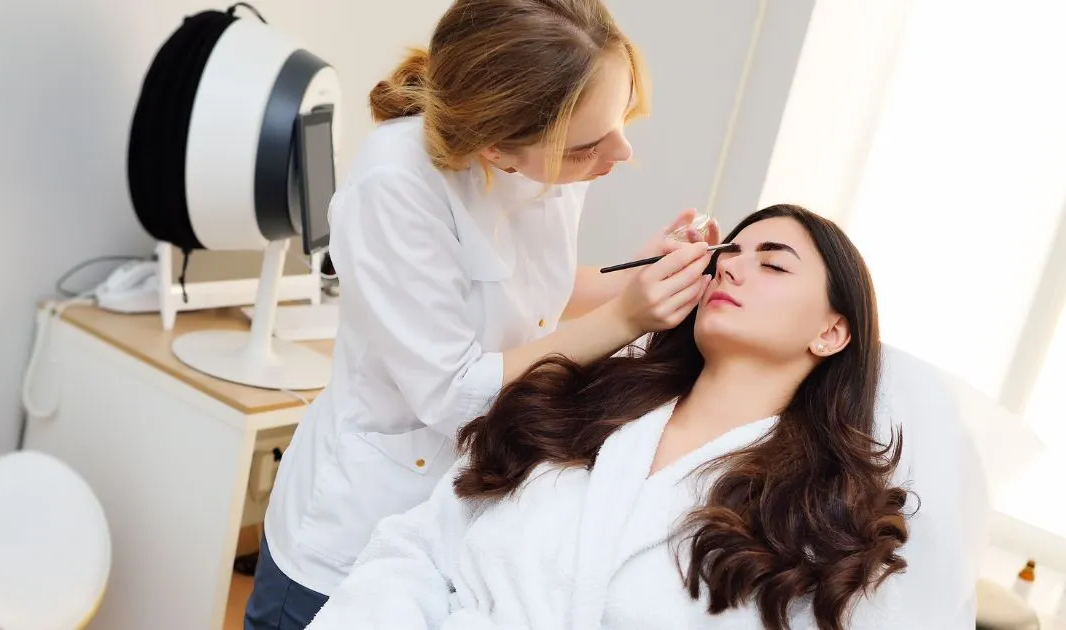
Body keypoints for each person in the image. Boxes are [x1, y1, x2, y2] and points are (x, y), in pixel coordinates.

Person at [244, 1, 725, 627]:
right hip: (358, 529)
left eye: (622, 116)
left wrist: (634, 279)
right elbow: (453, 392)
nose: (621, 151)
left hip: (464, 520)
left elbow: (533, 295)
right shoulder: (394, 184)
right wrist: (627, 318)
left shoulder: (550, 156)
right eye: (588, 145)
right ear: (498, 149)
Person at [305, 204, 989, 629]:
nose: (732, 271)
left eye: (773, 266)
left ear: (832, 332)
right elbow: (420, 549)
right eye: (728, 256)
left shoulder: (825, 516)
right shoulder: (576, 409)